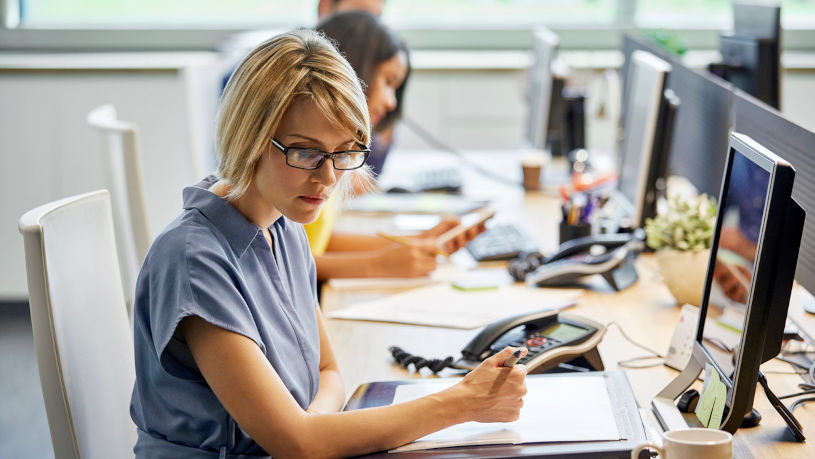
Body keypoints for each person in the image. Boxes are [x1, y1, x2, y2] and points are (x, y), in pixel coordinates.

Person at [129, 29, 527, 458]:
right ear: (249, 138)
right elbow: (298, 444)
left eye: (343, 152)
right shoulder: (194, 261)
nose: (328, 178)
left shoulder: (283, 226)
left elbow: (327, 371)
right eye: (305, 153)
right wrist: (462, 402)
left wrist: (315, 428)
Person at [305, 11, 483, 281]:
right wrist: (377, 266)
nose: (391, 103)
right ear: (353, 72)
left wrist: (418, 240)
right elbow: (285, 263)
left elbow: (319, 242)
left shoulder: (331, 159)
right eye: (388, 82)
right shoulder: (304, 163)